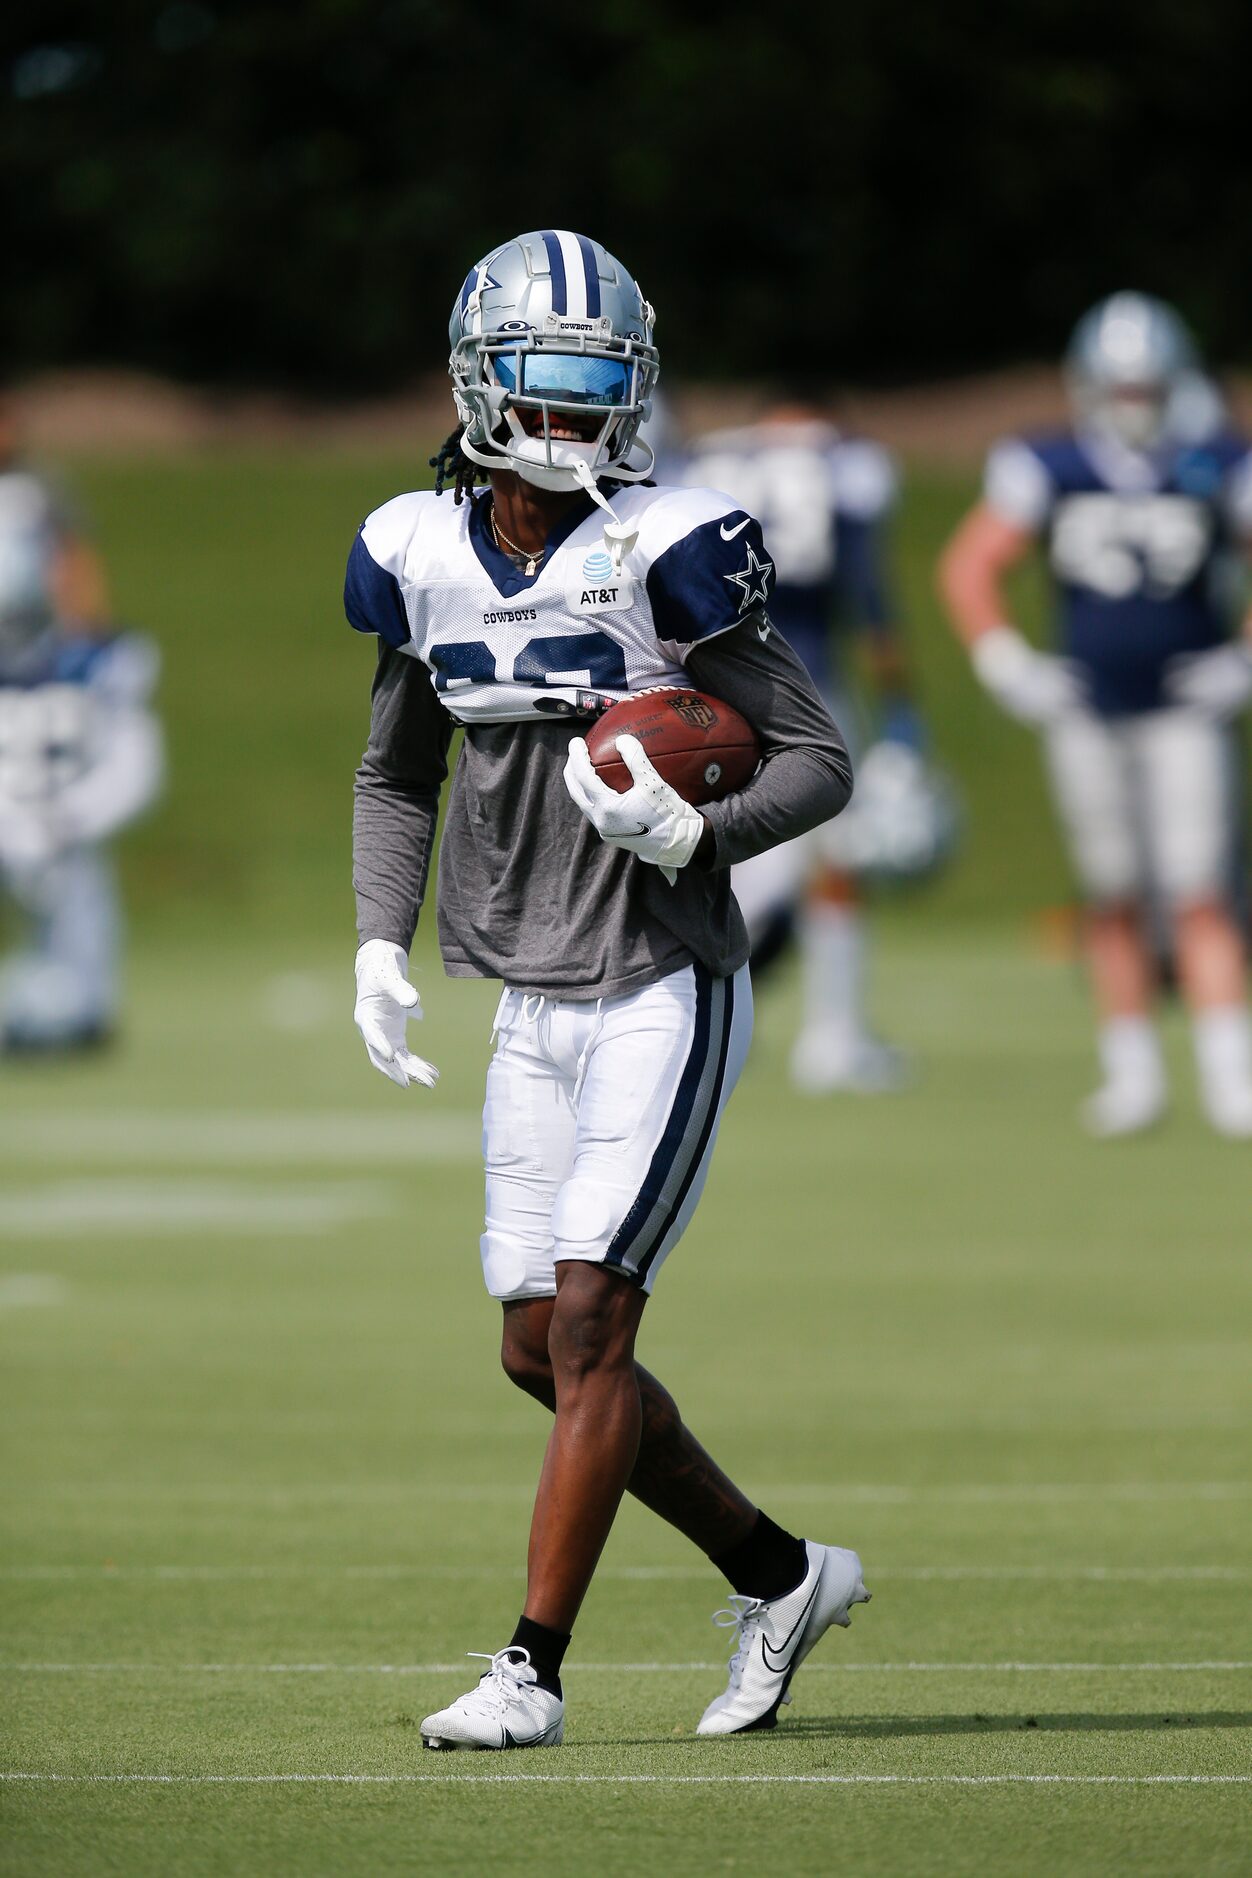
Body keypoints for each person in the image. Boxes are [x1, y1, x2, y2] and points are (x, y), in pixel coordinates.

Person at [346, 230, 869, 1751]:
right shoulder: (418, 552)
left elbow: (823, 759)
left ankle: (531, 1671)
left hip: (663, 978)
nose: (578, 424)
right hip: (528, 987)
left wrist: (704, 826)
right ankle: (782, 1575)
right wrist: (382, 938)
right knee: (535, 1345)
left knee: (589, 1327)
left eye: (603, 393)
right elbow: (396, 770)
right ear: (481, 387)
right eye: (551, 390)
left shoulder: (672, 546)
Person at [939, 292, 1252, 1138]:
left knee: (1201, 889)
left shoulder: (1219, 458)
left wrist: (1241, 658)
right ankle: (1134, 1074)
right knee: (1111, 891)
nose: (1134, 407)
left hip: (1187, 705)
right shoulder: (1053, 462)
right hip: (1089, 707)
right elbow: (972, 565)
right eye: (1120, 390)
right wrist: (1006, 662)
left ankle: (1231, 1075)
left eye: (1146, 389)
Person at [683, 402, 938, 1093]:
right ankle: (833, 1035)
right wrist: (900, 706)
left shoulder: (705, 461)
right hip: (807, 687)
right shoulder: (846, 465)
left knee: (727, 861)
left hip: (715, 687)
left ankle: (699, 1019)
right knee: (835, 862)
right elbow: (869, 596)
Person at [0, 397, 162, 1052]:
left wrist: (85, 641)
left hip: (46, 733)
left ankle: (82, 992)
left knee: (70, 856)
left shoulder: (42, 493)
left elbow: (76, 572)